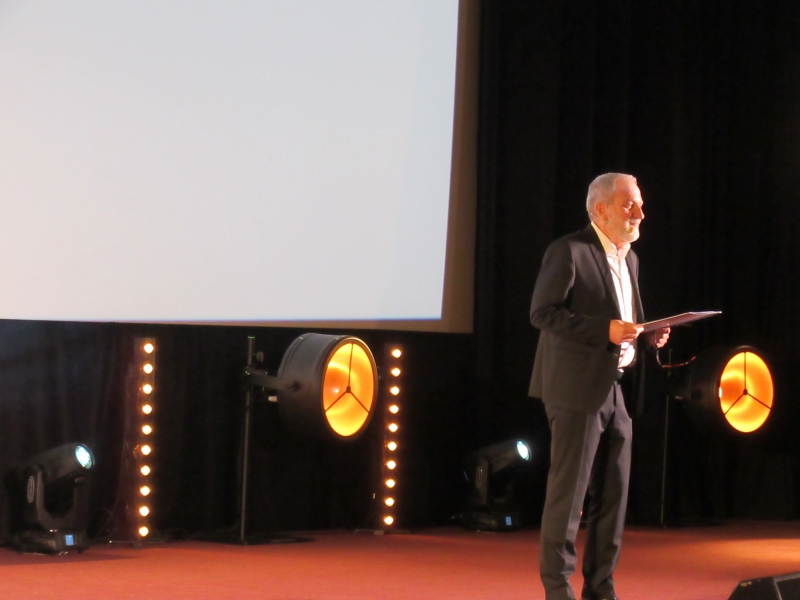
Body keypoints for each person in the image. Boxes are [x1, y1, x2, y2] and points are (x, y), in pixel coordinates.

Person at [529, 173, 670, 600]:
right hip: (574, 388)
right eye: (630, 205)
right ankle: (558, 590)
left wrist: (649, 334)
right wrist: (603, 330)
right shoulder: (569, 251)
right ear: (600, 209)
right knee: (569, 497)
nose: (640, 213)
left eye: (640, 204)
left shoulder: (630, 258)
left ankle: (601, 589)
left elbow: (627, 318)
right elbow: (543, 313)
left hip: (615, 389)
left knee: (613, 496)